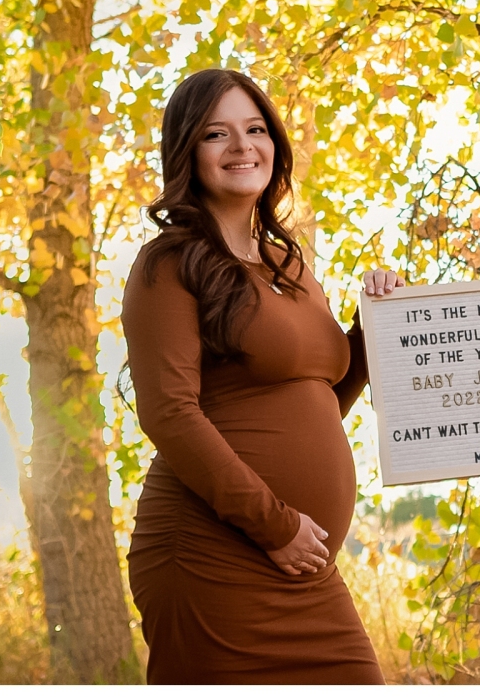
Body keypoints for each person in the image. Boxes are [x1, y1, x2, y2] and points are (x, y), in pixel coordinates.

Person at [120, 68, 403, 684]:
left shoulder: (287, 261)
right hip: (212, 552)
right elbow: (168, 413)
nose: (242, 146)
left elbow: (320, 399)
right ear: (186, 153)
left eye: (254, 129)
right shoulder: (168, 263)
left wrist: (375, 328)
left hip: (298, 560)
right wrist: (273, 524)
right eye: (216, 134)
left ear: (274, 143)